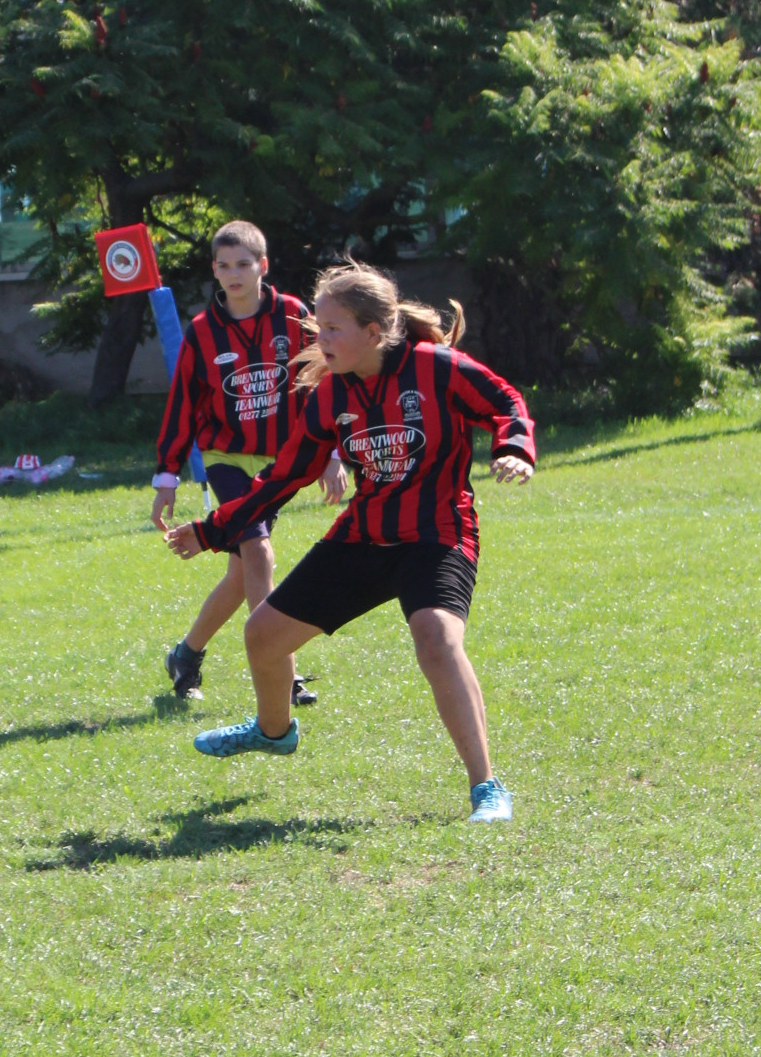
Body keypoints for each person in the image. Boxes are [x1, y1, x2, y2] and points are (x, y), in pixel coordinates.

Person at [165, 264, 534, 823]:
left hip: (436, 534)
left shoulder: (437, 368)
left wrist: (514, 448)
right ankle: (273, 732)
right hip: (364, 536)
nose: (320, 339)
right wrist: (212, 530)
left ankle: (486, 787)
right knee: (262, 635)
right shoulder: (329, 395)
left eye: (333, 329)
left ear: (373, 331)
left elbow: (505, 402)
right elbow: (284, 477)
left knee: (436, 639)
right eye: (318, 327)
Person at [151, 219, 344, 709]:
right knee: (258, 554)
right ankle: (282, 671)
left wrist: (331, 452)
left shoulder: (295, 316)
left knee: (242, 573)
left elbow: (326, 382)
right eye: (224, 265)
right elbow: (182, 405)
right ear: (214, 271)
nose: (234, 274)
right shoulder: (201, 332)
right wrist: (167, 476)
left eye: (243, 264)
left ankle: (185, 655)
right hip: (226, 458)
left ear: (263, 266)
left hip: (279, 464)